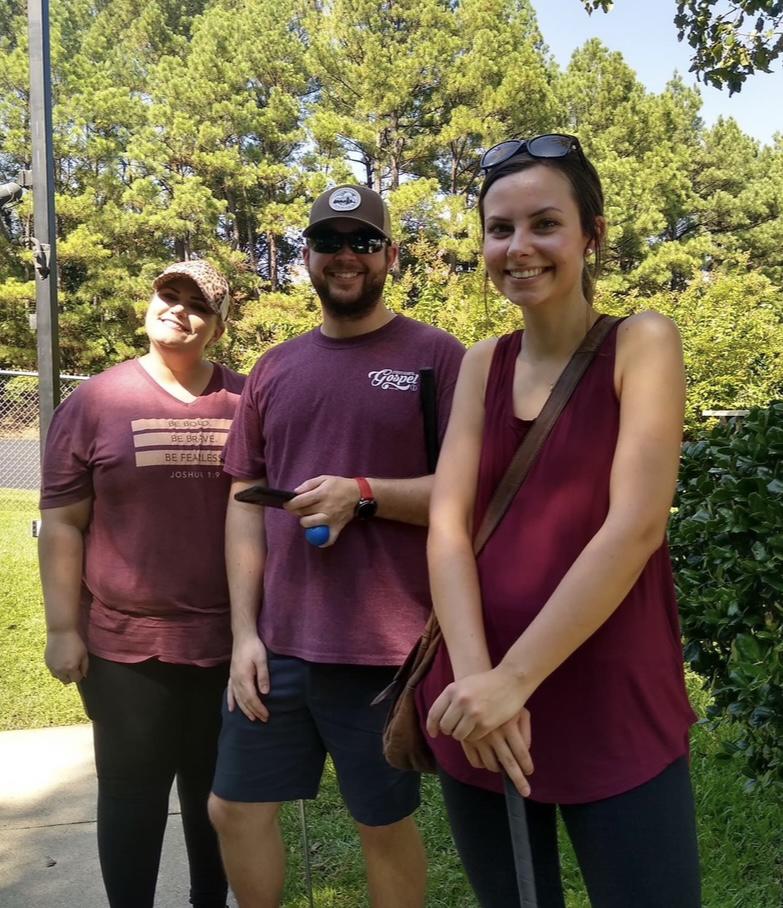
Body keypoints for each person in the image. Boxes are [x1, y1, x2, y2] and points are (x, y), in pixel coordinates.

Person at [416, 135, 701, 907]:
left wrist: (516, 678)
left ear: (590, 235)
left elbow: (635, 525)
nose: (518, 248)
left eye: (544, 223)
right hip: (478, 703)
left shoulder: (641, 342)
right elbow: (447, 527)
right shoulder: (480, 363)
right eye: (498, 229)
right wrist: (480, 683)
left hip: (610, 699)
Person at [207, 185, 465, 907]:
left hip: (382, 651)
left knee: (379, 824)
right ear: (306, 258)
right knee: (231, 808)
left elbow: (469, 493)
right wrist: (243, 636)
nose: (344, 256)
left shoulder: (437, 357)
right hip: (279, 647)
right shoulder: (274, 367)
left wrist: (365, 491)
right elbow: (242, 502)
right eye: (327, 242)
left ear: (390, 254)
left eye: (361, 242)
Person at [39, 260, 244, 908]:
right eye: (167, 294)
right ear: (146, 305)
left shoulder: (246, 400)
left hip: (227, 646)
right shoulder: (95, 401)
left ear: (216, 325)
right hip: (123, 649)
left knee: (218, 799)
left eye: (197, 304)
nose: (178, 309)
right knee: (132, 799)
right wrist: (61, 629)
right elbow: (64, 523)